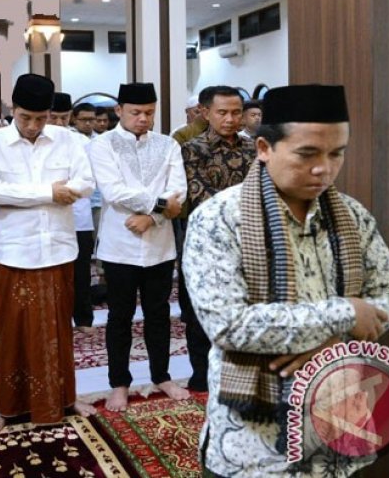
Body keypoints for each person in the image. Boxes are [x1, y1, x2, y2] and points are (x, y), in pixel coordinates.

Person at [183, 84, 389, 476]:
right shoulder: (218, 219)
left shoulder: (351, 216)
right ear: (264, 148)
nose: (324, 168)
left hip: (337, 427)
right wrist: (343, 314)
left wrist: (333, 346)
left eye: (336, 153)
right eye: (307, 154)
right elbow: (229, 324)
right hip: (251, 445)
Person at [0, 73, 97, 431]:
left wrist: (25, 193)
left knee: (58, 330)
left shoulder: (68, 140)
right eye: (26, 117)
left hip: (59, 250)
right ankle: (5, 406)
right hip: (13, 253)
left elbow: (84, 184)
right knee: (10, 332)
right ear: (12, 109)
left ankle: (65, 399)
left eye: (41, 118)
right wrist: (48, 193)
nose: (33, 125)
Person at [88, 82, 189, 412]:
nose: (143, 118)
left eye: (149, 112)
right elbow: (114, 191)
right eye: (136, 112)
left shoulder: (168, 144)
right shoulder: (103, 145)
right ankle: (119, 382)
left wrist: (151, 218)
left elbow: (180, 191)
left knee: (159, 314)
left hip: (159, 245)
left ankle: (162, 375)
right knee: (120, 316)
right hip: (120, 245)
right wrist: (161, 207)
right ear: (119, 111)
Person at [179, 85, 256, 393]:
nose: (230, 119)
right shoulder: (193, 148)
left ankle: (243, 373)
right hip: (206, 243)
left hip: (250, 240)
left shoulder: (254, 148)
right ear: (206, 112)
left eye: (236, 112)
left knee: (246, 307)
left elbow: (263, 189)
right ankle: (202, 375)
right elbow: (199, 196)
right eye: (222, 112)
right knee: (202, 311)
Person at [49, 92, 95, 333]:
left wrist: (65, 190)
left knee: (80, 273)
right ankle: (57, 319)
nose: (58, 123)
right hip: (48, 218)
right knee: (54, 274)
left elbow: (90, 180)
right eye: (53, 117)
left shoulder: (83, 143)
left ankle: (84, 319)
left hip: (79, 218)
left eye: (63, 118)